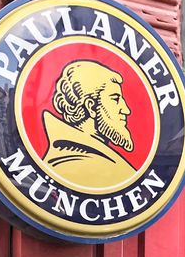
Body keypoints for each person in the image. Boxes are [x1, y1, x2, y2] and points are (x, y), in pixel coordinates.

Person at [42, 60, 136, 188]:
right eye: (115, 99)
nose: (126, 110)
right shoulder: (72, 163)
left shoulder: (104, 163)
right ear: (91, 107)